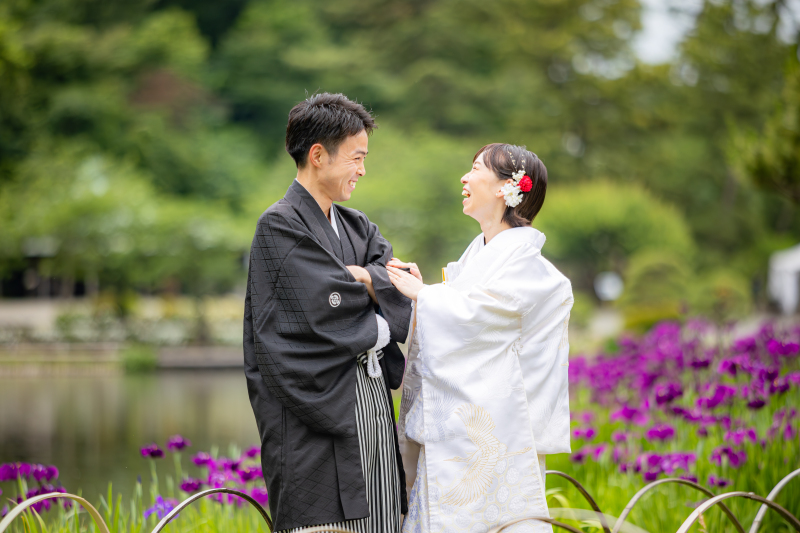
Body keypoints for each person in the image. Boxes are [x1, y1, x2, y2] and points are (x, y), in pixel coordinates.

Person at [243, 93, 412, 532]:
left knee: (380, 516)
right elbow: (319, 309)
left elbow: (402, 281)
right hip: (312, 413)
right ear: (318, 155)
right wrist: (374, 296)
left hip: (369, 402)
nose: (363, 169)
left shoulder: (358, 225)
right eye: (357, 158)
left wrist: (370, 279)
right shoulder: (278, 225)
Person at [387, 144, 573, 533]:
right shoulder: (481, 257)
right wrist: (430, 295)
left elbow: (485, 319)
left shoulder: (529, 268)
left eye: (474, 169)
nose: (464, 178)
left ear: (508, 188)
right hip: (459, 435)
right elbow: (467, 311)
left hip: (498, 434)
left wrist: (426, 295)